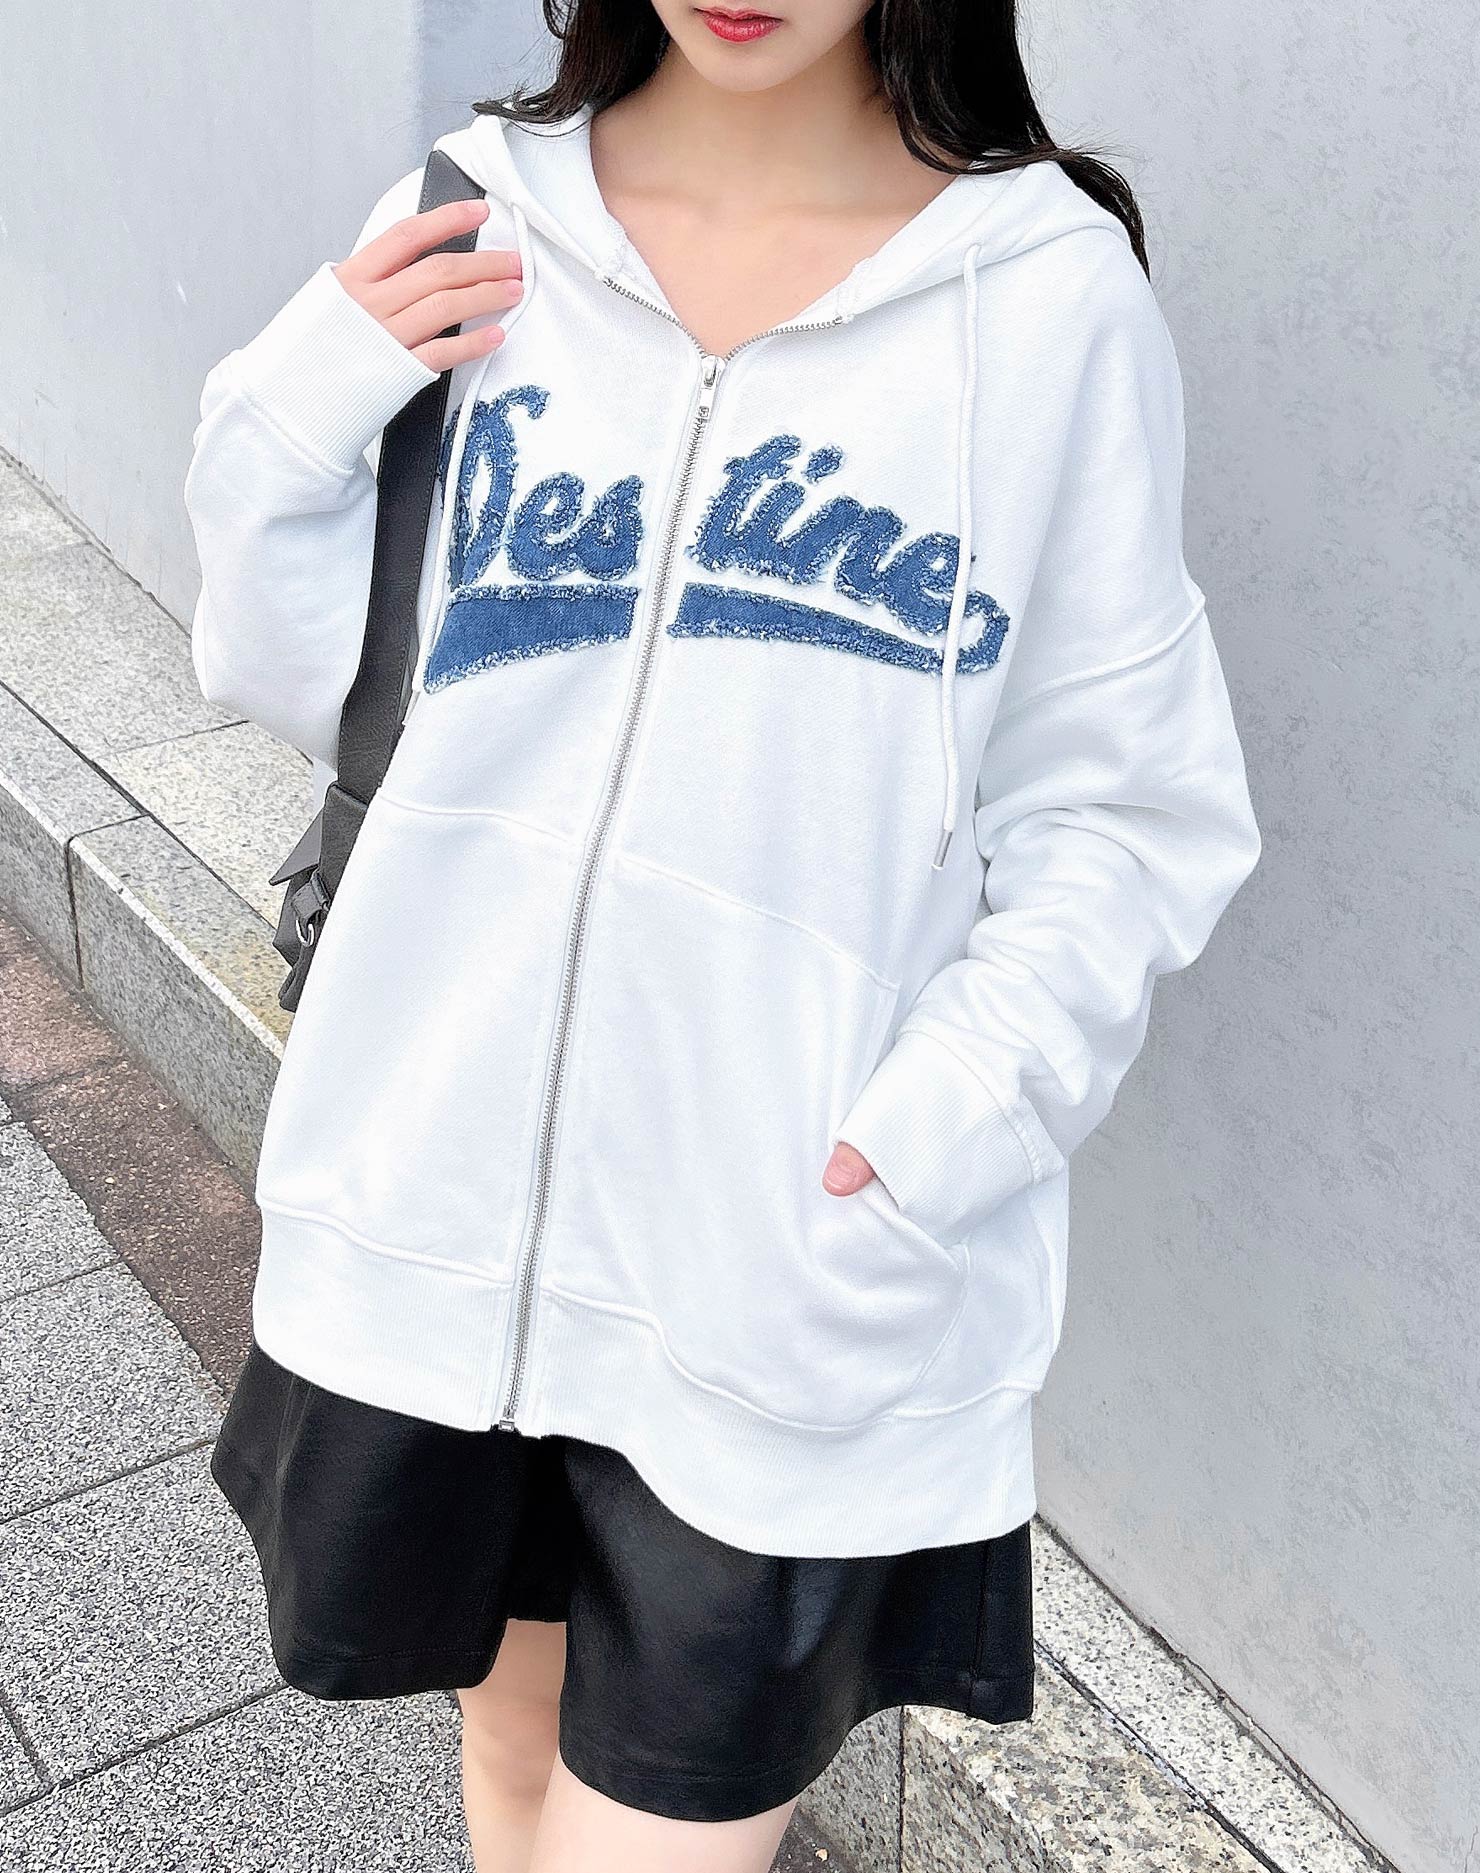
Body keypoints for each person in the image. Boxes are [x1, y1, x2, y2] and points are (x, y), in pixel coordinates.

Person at [183, 2, 1262, 1867]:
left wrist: (945, 1121)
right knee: (508, 1753)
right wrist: (290, 415)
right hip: (441, 1212)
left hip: (776, 1268)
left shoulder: (1045, 298)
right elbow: (319, 683)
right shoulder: (480, 213)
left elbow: (1126, 808)